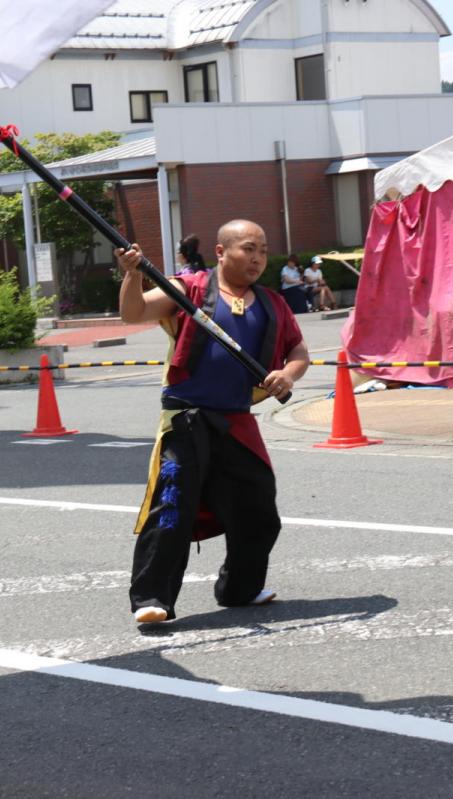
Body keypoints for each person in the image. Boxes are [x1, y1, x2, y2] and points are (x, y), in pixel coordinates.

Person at [116, 220, 309, 625]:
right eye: (248, 248)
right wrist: (132, 275)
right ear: (221, 252)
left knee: (259, 510)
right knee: (172, 507)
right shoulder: (188, 289)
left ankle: (241, 588)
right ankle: (152, 598)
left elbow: (298, 352)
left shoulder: (272, 303)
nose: (257, 258)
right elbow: (133, 313)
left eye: (262, 250)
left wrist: (287, 375)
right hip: (187, 418)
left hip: (238, 420)